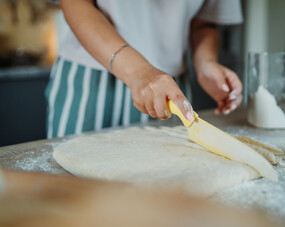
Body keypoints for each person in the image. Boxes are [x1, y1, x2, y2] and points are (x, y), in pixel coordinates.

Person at [45, 0, 243, 138]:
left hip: (168, 91)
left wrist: (206, 63)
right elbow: (75, 3)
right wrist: (138, 71)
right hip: (91, 77)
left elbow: (204, 21)